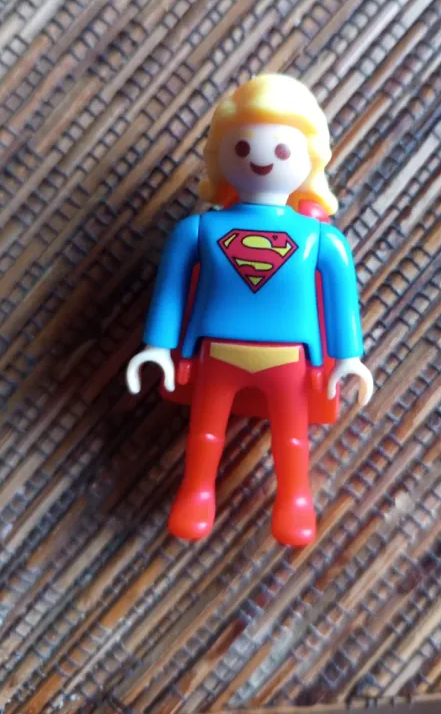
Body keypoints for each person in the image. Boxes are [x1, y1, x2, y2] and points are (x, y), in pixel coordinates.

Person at [127, 73, 373, 546]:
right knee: (205, 433)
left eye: (282, 149)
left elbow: (341, 301)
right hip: (217, 353)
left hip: (289, 360)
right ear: (221, 155)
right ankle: (196, 492)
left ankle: (296, 499)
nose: (261, 159)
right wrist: (157, 346)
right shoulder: (198, 231)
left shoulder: (321, 239)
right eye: (242, 147)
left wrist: (349, 358)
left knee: (291, 437)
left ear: (307, 158)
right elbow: (171, 291)